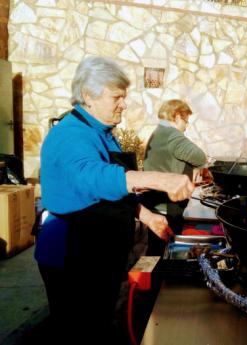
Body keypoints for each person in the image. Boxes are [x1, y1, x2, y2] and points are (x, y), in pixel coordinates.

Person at [35, 56, 194, 344]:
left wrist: (145, 215)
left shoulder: (105, 134)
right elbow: (94, 177)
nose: (123, 104)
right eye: (116, 97)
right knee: (78, 331)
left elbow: (110, 192)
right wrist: (160, 179)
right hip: (72, 254)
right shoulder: (70, 134)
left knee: (99, 324)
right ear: (88, 97)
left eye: (124, 96)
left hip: (100, 252)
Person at [142, 100, 207, 234]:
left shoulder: (161, 131)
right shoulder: (172, 134)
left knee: (159, 246)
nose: (187, 126)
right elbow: (200, 157)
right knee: (165, 246)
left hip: (157, 202)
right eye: (186, 121)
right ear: (177, 117)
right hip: (166, 205)